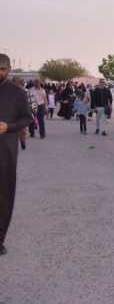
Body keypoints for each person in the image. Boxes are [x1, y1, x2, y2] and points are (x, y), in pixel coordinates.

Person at [0, 54, 33, 256]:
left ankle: (0, 237)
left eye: (2, 68)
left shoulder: (18, 92)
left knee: (3, 193)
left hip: (6, 150)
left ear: (9, 69)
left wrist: (8, 126)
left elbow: (27, 118)